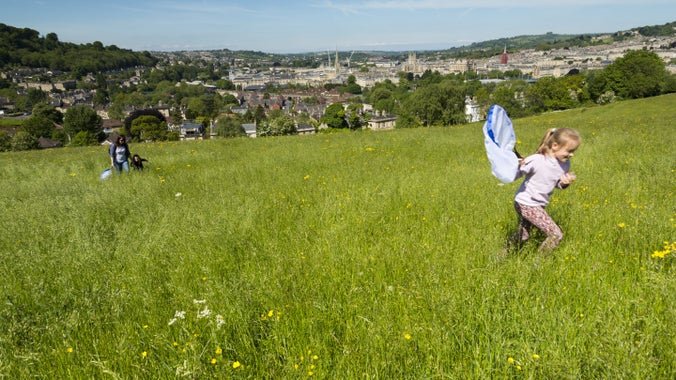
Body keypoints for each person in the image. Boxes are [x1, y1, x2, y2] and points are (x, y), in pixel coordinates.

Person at [507, 128, 581, 254]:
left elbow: (556, 183)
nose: (572, 154)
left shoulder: (565, 164)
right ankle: (538, 265)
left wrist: (564, 183)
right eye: (569, 150)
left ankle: (503, 254)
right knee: (556, 235)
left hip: (536, 204)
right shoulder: (537, 160)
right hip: (526, 203)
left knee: (523, 235)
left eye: (573, 151)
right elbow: (514, 176)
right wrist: (517, 165)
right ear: (555, 145)